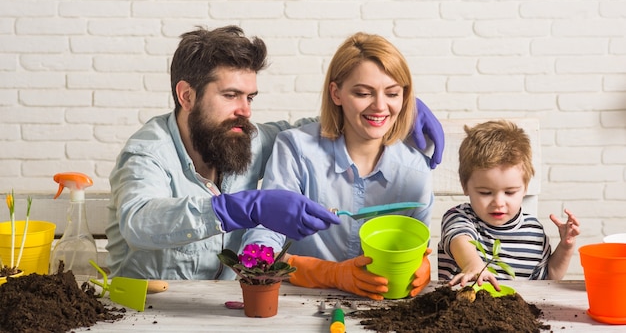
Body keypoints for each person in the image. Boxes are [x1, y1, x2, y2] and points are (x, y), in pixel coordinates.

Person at [106, 25, 445, 280]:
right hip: (146, 312)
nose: (246, 111)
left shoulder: (246, 139)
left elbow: (319, 128)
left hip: (225, 312)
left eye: (250, 97)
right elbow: (139, 221)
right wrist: (238, 209)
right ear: (187, 96)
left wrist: (396, 109)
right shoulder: (147, 152)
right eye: (230, 96)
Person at [242, 32, 435, 300]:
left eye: (392, 93)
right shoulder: (297, 150)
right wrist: (330, 274)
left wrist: (421, 266)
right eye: (363, 93)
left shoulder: (415, 170)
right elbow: (259, 248)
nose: (380, 106)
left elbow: (419, 249)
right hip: (302, 303)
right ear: (336, 93)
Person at [437, 120, 580, 290]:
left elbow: (548, 277)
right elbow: (460, 239)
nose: (498, 203)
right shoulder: (459, 217)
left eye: (510, 192)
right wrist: (473, 266)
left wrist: (565, 247)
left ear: (525, 188)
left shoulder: (533, 232)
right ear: (465, 186)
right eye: (485, 192)